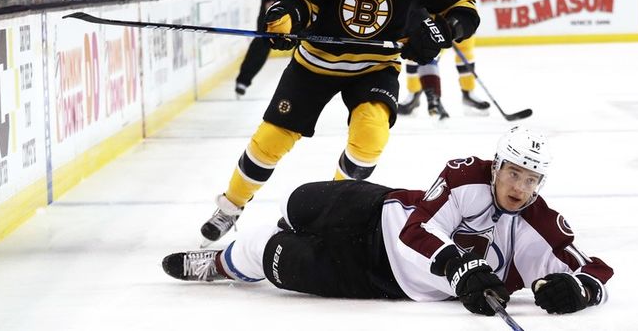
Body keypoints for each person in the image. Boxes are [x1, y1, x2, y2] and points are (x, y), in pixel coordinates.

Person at [198, 0, 481, 246]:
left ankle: (326, 214)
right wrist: (288, 16)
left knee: (371, 136)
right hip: (316, 62)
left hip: (375, 66)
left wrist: (443, 30)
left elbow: (465, 10)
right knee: (271, 139)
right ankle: (230, 206)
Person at [164, 126, 614, 316]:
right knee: (301, 202)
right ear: (496, 166)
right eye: (514, 173)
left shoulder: (540, 223)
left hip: (383, 276)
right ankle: (293, 227)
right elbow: (418, 228)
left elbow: (594, 270)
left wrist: (580, 291)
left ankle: (222, 264)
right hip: (380, 209)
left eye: (531, 179)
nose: (520, 187)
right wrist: (458, 265)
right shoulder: (465, 176)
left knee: (273, 253)